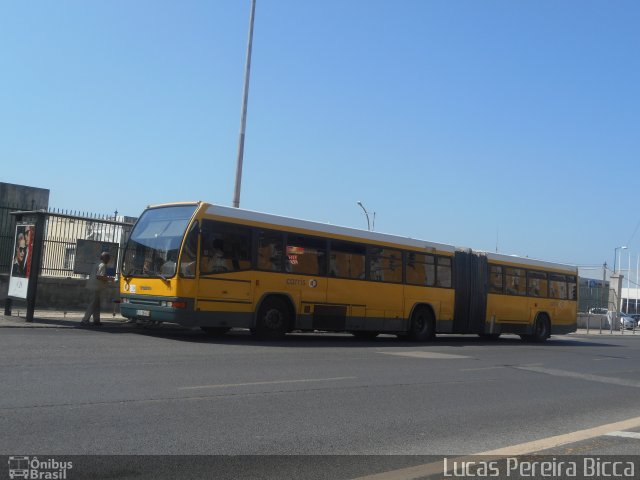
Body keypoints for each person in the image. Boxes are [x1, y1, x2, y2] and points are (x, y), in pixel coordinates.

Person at [80, 252, 114, 326]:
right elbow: (99, 276)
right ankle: (85, 320)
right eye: (108, 258)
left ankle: (96, 320)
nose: (108, 260)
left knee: (96, 304)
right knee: (93, 304)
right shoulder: (102, 265)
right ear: (104, 258)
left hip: (94, 287)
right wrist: (109, 279)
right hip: (96, 287)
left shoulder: (97, 263)